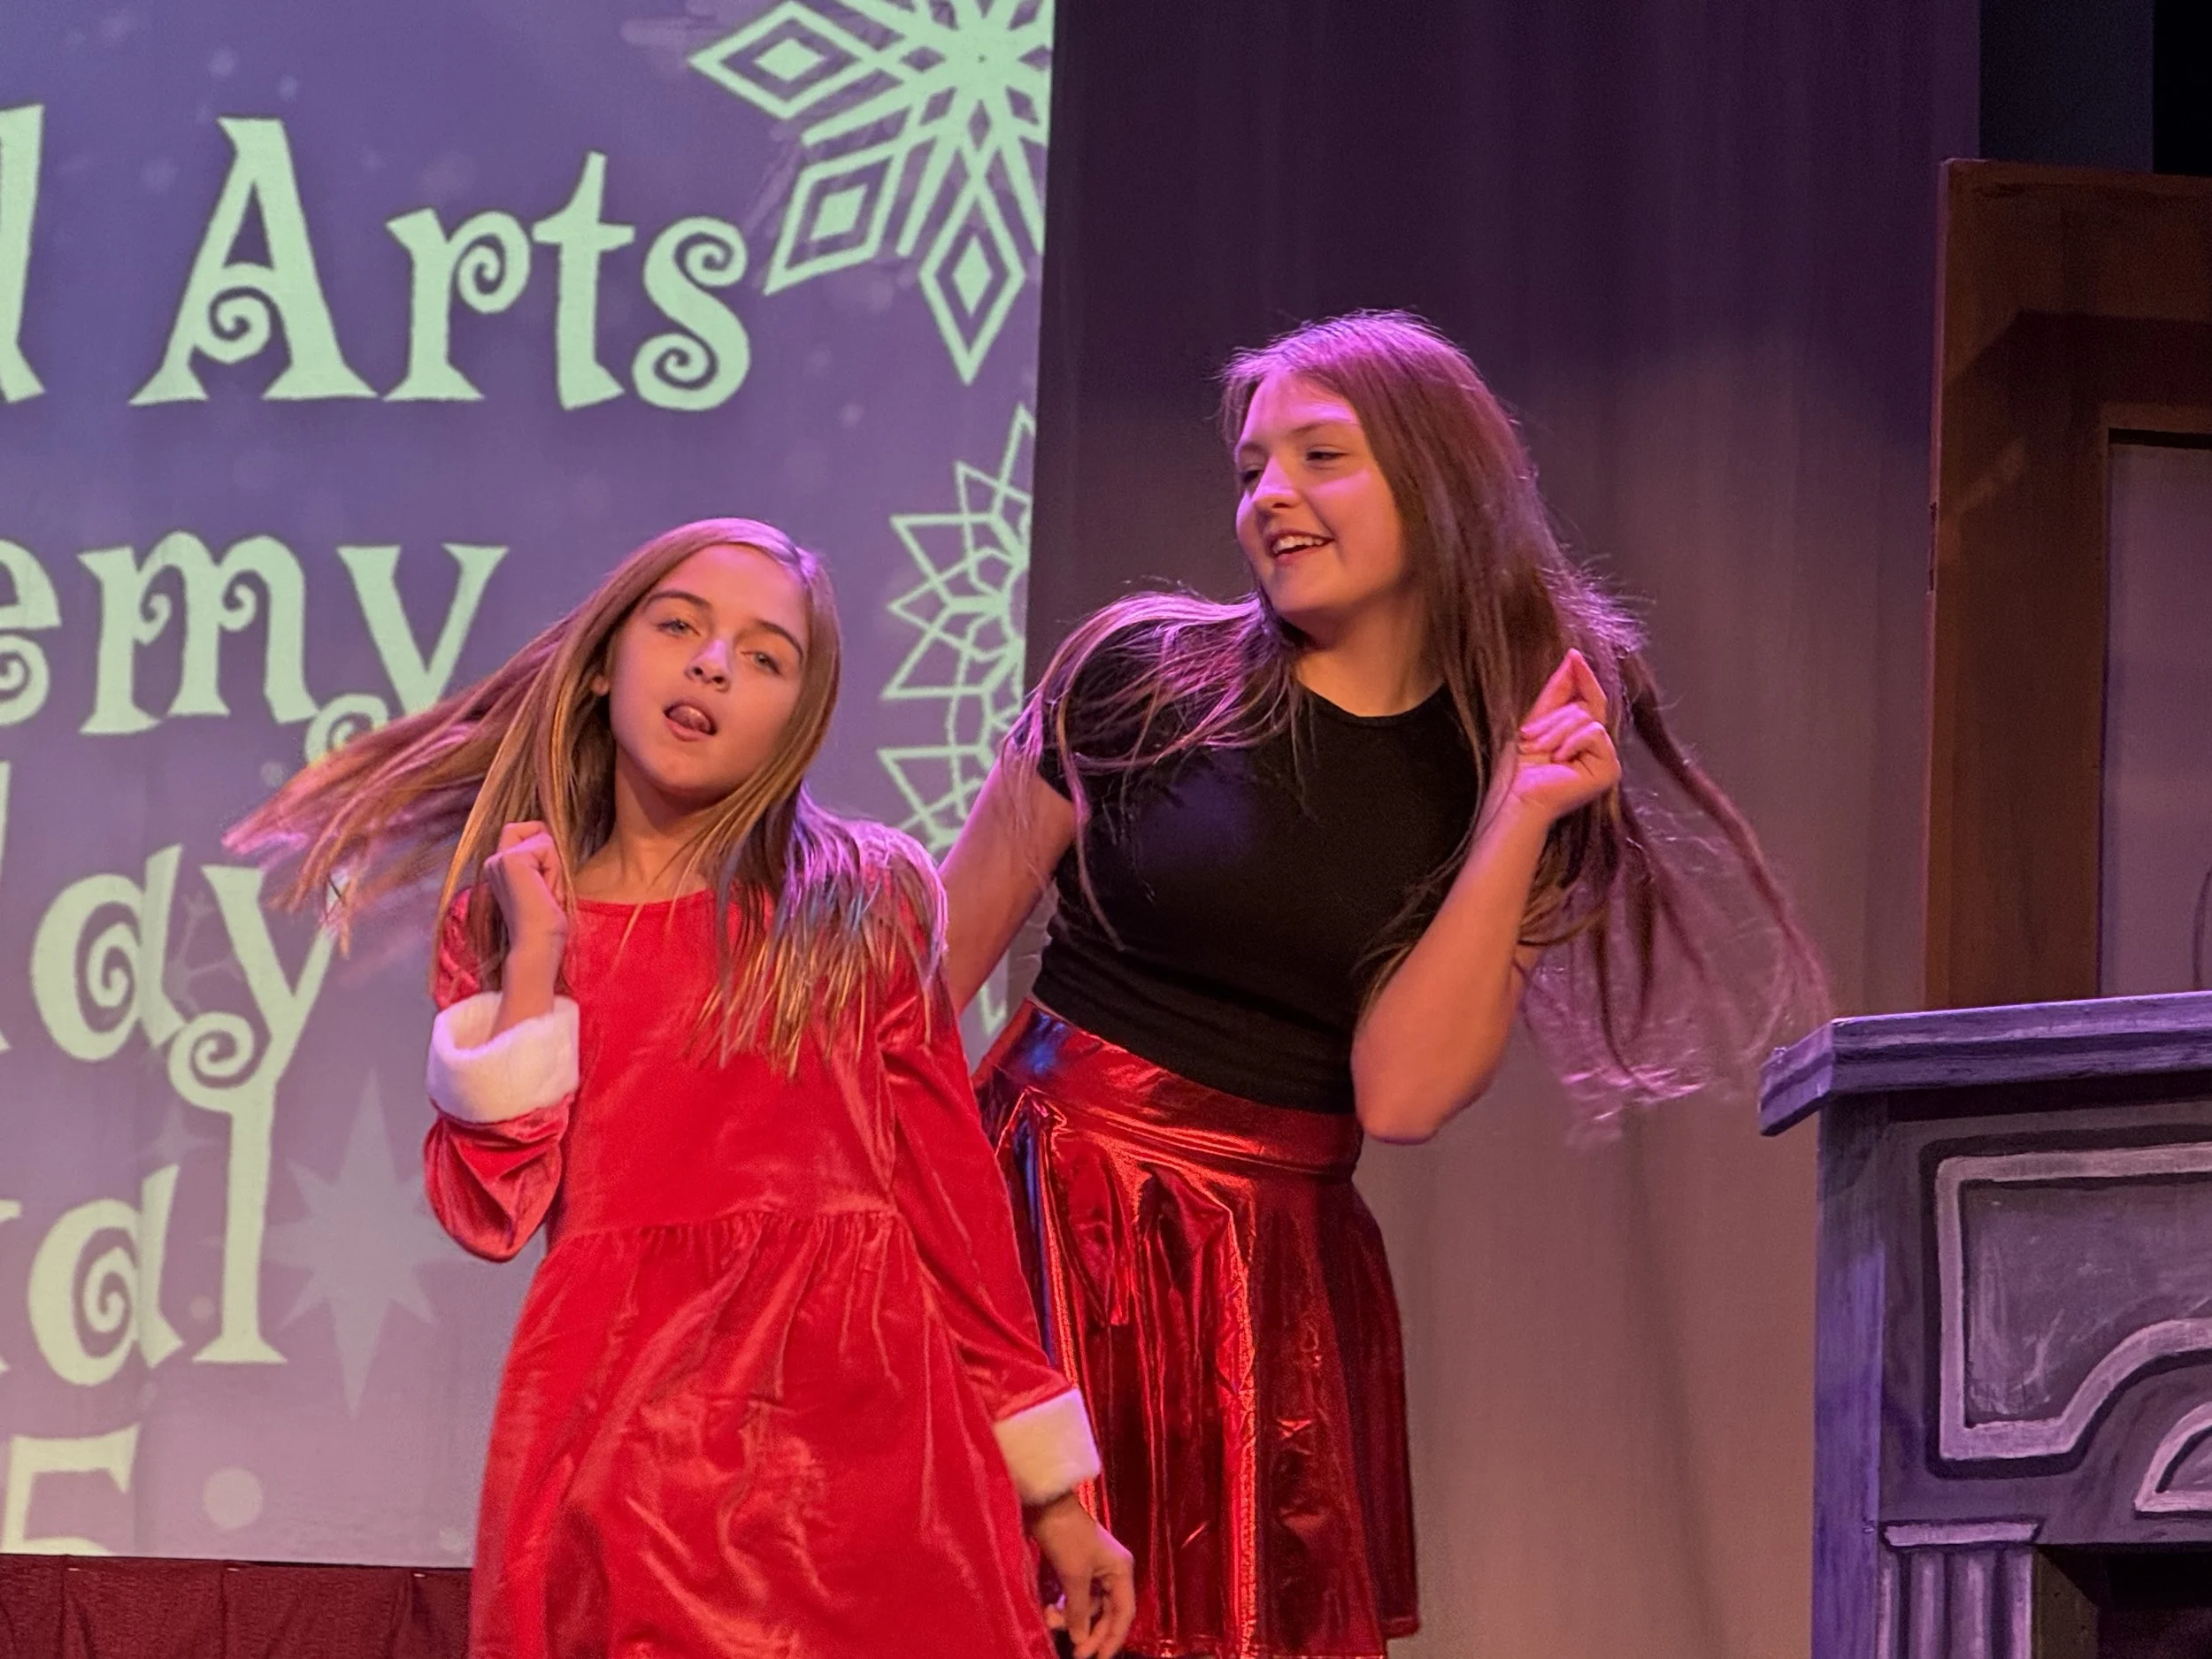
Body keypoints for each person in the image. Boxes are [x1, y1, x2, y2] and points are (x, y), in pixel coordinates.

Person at [939, 313, 1824, 1658]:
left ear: (1437, 482)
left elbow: (1401, 1092)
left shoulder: (1506, 768)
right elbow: (923, 974)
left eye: (1318, 456)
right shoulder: (1135, 673)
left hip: (1269, 1278)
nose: (1269, 496)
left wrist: (1520, 814)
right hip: (1046, 1210)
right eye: (1251, 469)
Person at [229, 518, 1136, 1659]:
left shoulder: (864, 898)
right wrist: (533, 962)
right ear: (607, 658)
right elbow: (491, 1209)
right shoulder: (516, 914)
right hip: (624, 1446)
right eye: (682, 626)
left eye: (767, 656)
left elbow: (950, 1198)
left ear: (795, 722)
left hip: (867, 1448)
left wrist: (1055, 1493)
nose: (714, 663)